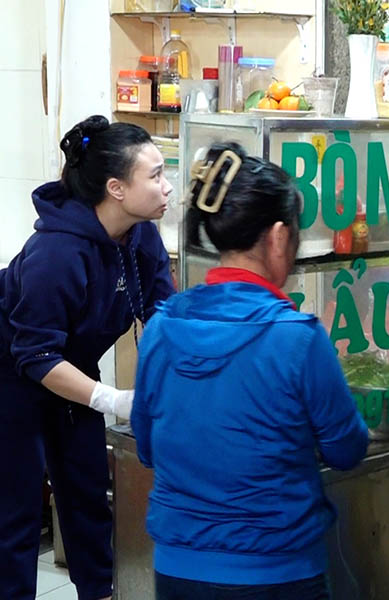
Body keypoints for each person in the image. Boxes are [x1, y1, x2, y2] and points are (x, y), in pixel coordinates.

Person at [131, 143, 369, 600]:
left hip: (178, 571)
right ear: (279, 237)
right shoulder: (298, 338)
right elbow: (346, 449)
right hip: (277, 573)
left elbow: (147, 446)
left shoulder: (162, 327)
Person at [0, 115, 175, 600]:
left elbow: (162, 315)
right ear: (116, 188)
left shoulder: (141, 235)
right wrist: (111, 399)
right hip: (11, 372)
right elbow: (35, 353)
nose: (167, 187)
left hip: (73, 365)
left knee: (87, 495)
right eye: (156, 175)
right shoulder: (56, 253)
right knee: (15, 508)